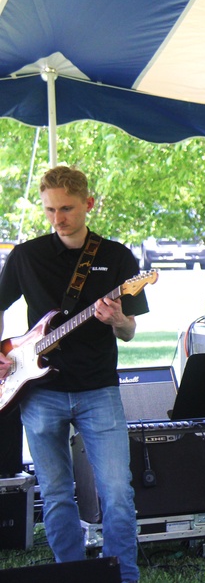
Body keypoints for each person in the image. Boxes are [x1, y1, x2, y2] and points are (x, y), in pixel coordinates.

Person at [0, 166, 149, 583]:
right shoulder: (26, 255)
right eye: (50, 210)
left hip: (98, 389)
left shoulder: (117, 257)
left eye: (66, 208)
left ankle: (124, 577)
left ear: (89, 203)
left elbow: (130, 332)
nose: (57, 218)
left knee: (118, 492)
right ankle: (71, 574)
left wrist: (117, 318)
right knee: (56, 493)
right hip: (38, 390)